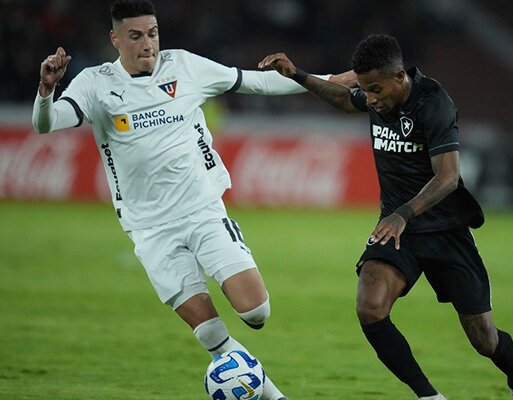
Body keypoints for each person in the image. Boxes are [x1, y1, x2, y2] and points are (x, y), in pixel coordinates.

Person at [31, 1, 353, 399]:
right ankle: (273, 396)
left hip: (202, 211)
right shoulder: (95, 83)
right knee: (211, 333)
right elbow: (45, 125)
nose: (147, 43)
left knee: (256, 312)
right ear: (115, 39)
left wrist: (337, 78)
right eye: (135, 36)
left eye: (152, 33)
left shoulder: (183, 66)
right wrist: (46, 91)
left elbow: (258, 82)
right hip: (150, 229)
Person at [259, 34, 513, 400]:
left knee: (484, 339)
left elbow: (448, 178)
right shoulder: (376, 97)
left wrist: (403, 213)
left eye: (375, 89)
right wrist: (297, 75)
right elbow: (344, 99)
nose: (370, 99)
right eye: (365, 90)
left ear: (399, 77)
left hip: (444, 230)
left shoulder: (433, 103)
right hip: (398, 232)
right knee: (370, 307)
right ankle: (429, 396)